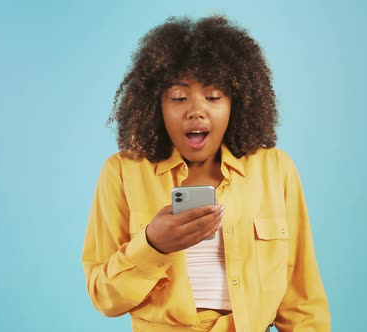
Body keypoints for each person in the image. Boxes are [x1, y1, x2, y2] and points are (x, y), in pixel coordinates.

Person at [81, 15, 330, 332]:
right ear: (154, 104)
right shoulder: (121, 172)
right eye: (179, 97)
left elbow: (302, 303)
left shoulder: (275, 169)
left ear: (237, 103)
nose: (196, 110)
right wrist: (152, 245)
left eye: (213, 97)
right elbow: (104, 297)